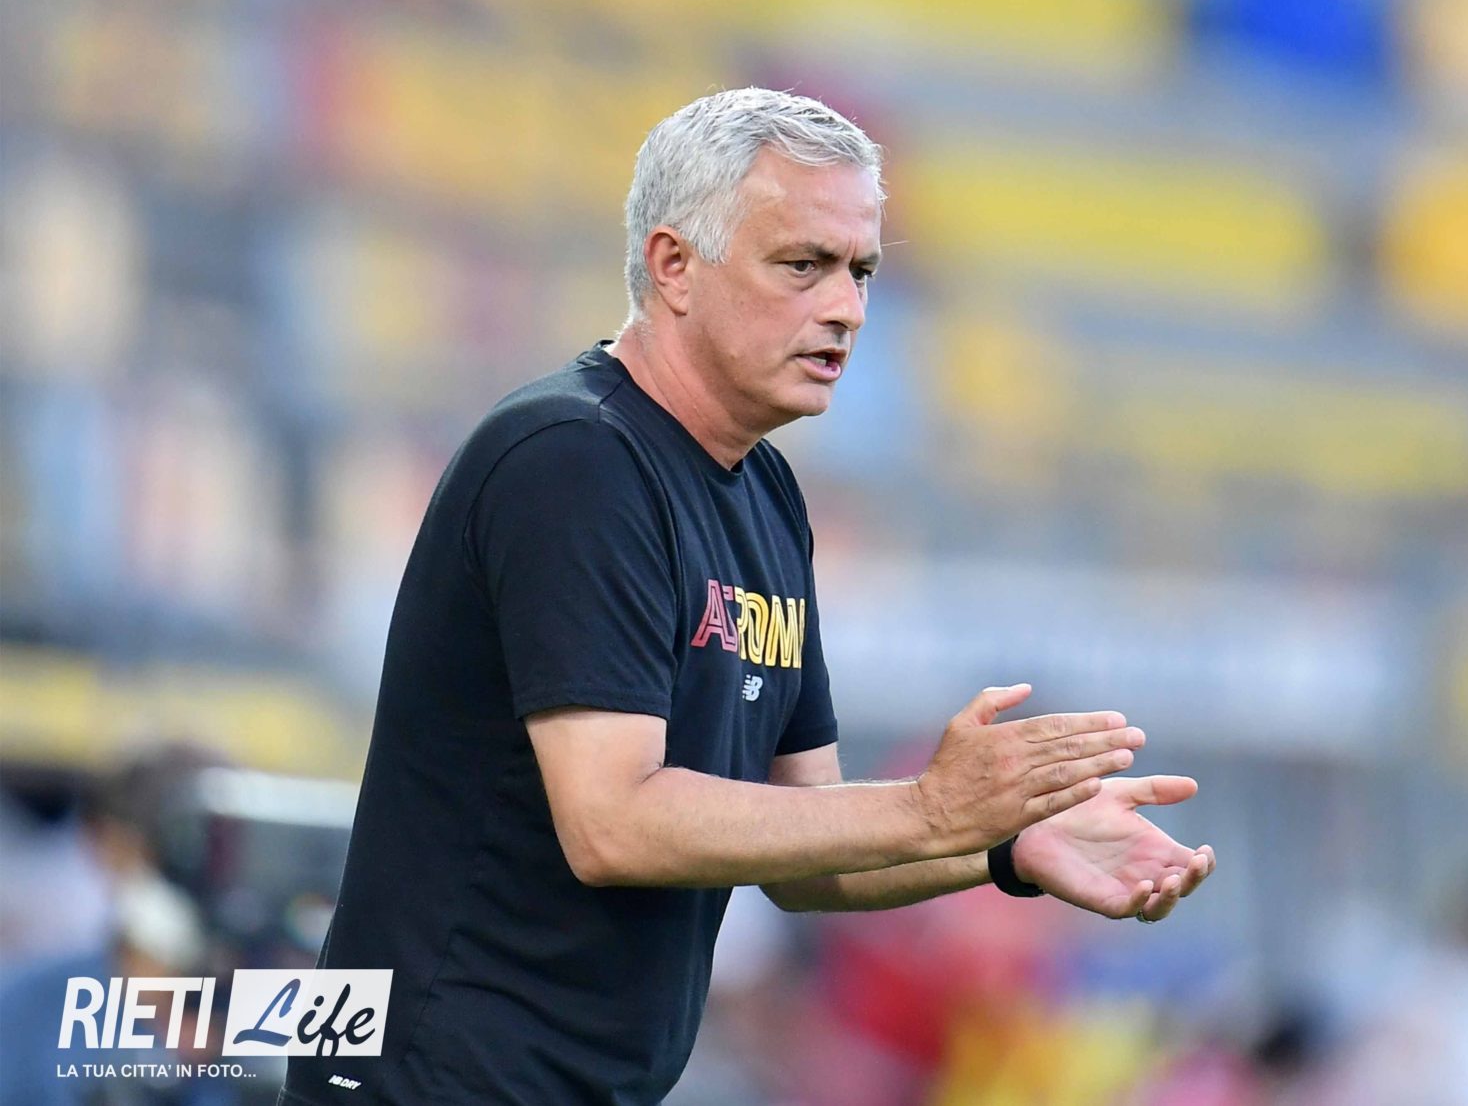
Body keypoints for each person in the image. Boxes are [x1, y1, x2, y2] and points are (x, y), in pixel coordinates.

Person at [282, 88, 1217, 1105]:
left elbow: (808, 853)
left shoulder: (763, 492)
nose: (847, 308)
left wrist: (1004, 845)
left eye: (860, 270)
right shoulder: (572, 459)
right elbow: (613, 824)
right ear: (674, 266)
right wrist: (928, 805)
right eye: (802, 264)